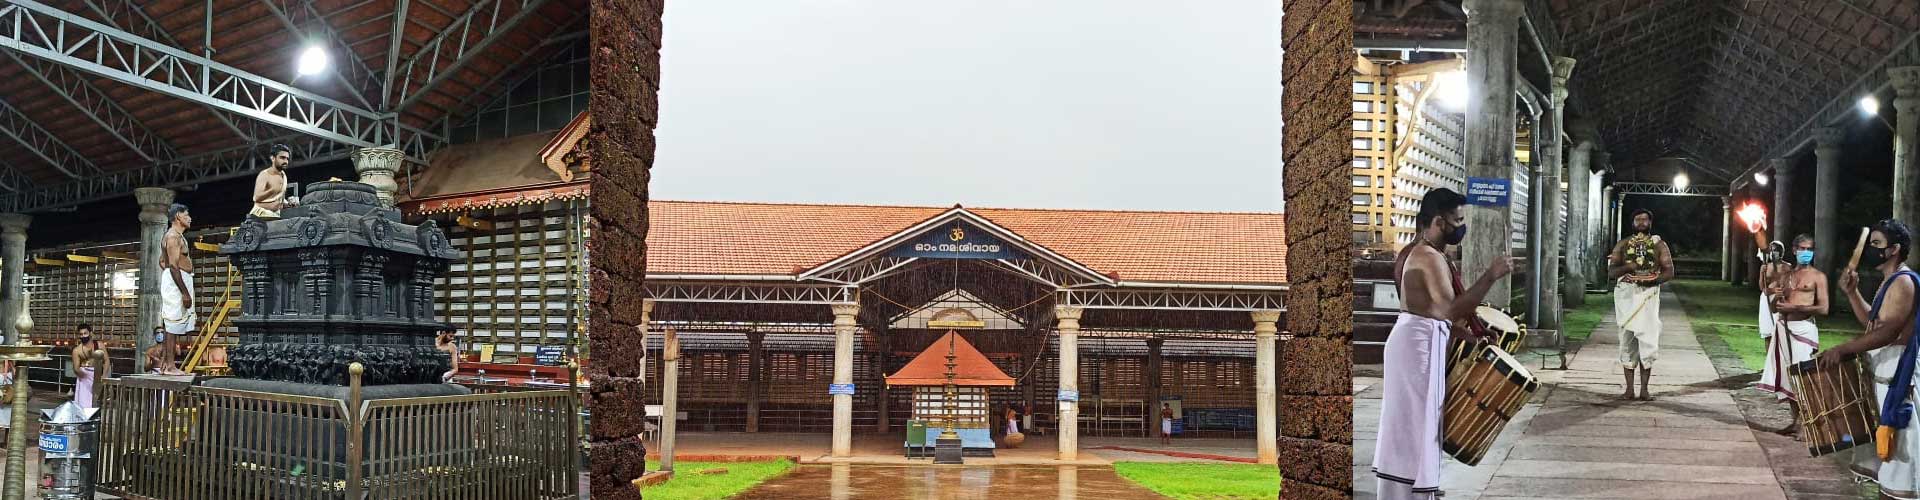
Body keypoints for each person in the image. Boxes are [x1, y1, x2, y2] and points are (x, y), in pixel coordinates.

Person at [1374, 188, 1512, 499]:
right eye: (1457, 220)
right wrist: (1491, 275)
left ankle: (1419, 490)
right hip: (1415, 346)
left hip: (1421, 338)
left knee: (1423, 421)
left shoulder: (1428, 253)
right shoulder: (1426, 256)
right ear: (1439, 220)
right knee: (1412, 423)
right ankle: (1405, 493)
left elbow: (1434, 312)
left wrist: (1470, 335)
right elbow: (1449, 310)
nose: (1461, 227)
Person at [1817, 219, 1917, 495]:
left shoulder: (1903, 282)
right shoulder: (1889, 281)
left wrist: (1844, 349)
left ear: (1894, 249)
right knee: (1888, 464)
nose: (1871, 249)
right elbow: (1872, 324)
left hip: (1899, 381)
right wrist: (1852, 293)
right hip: (1884, 377)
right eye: (1870, 243)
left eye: (1877, 244)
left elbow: (1888, 332)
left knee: (1900, 465)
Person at [1758, 234, 1829, 438]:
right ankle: (1796, 421)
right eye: (1803, 249)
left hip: (1803, 330)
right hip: (1783, 328)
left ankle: (1808, 425)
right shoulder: (1786, 275)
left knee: (1803, 378)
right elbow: (1774, 307)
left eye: (1810, 249)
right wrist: (1776, 298)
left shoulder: (1818, 277)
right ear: (1795, 250)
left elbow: (1824, 308)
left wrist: (1795, 306)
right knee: (1788, 379)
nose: (1807, 253)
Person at [1607, 208, 1674, 401]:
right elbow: (1612, 273)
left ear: (1650, 223)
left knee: (1648, 342)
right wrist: (1630, 267)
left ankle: (1644, 389)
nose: (1642, 222)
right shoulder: (1623, 244)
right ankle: (1629, 389)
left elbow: (1669, 272)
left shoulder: (1659, 245)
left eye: (1645, 219)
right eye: (1638, 219)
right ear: (1633, 223)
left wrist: (1650, 281)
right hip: (1626, 297)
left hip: (1648, 297)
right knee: (1626, 343)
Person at [160, 203, 195, 371]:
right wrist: (184, 293)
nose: (190, 218)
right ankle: (170, 365)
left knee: (172, 324)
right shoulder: (173, 237)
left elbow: (162, 261)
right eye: (186, 215)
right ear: (178, 217)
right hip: (176, 280)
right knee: (172, 325)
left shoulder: (178, 236)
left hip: (177, 278)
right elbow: (173, 266)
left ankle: (167, 364)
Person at [250, 144, 298, 219]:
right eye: (282, 158)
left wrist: (288, 203)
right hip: (260, 216)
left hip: (276, 215)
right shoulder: (264, 175)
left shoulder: (284, 176)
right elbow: (257, 198)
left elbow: (278, 198)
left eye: (287, 159)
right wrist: (272, 190)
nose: (286, 161)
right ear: (273, 158)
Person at [71, 324, 102, 407]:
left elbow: (107, 361)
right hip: (84, 377)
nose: (83, 336)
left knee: (96, 401)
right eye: (81, 334)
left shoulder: (99, 345)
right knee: (83, 402)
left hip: (97, 375)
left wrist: (104, 376)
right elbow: (76, 368)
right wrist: (82, 373)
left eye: (85, 333)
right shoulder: (77, 350)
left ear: (90, 333)